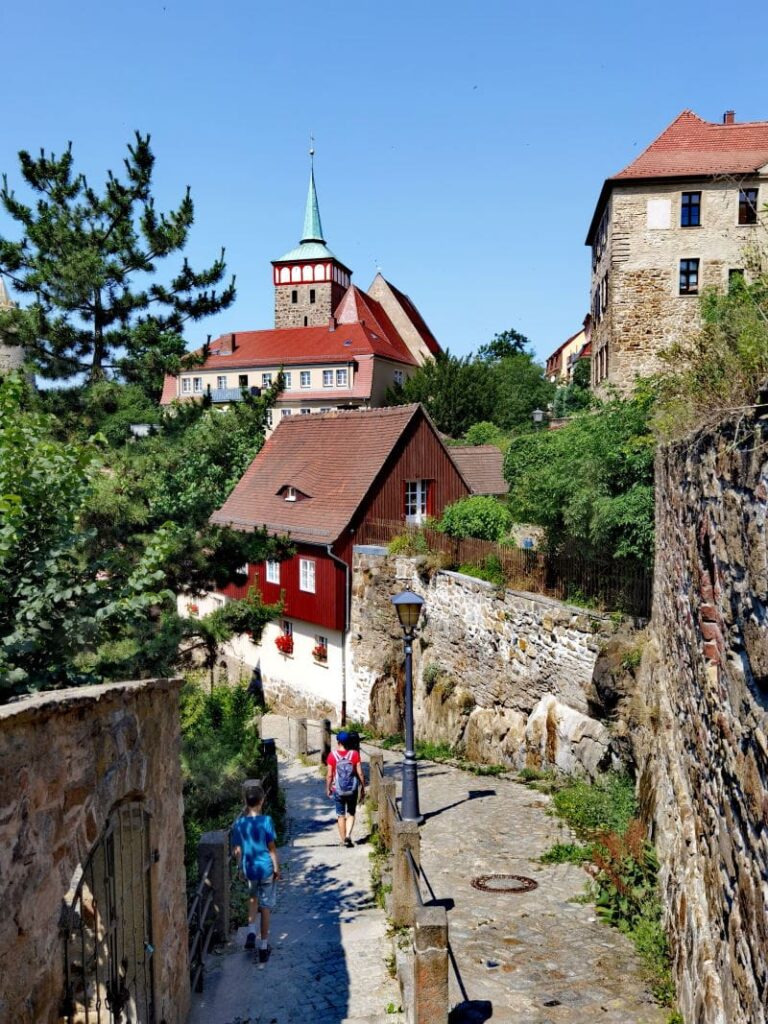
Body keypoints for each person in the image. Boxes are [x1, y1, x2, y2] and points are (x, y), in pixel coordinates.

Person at [231, 783, 280, 963]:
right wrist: (277, 868)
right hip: (266, 868)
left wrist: (240, 868)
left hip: (250, 867)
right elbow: (272, 848)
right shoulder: (266, 821)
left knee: (252, 898)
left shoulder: (240, 824)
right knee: (265, 906)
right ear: (262, 801)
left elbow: (237, 850)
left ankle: (251, 931)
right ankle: (264, 945)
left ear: (245, 802)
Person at [326, 730, 365, 847]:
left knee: (340, 815)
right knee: (351, 813)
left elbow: (329, 775)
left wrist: (328, 788)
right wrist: (363, 787)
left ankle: (343, 841)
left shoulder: (332, 755)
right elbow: (360, 773)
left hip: (338, 789)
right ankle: (348, 835)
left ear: (338, 742)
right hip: (352, 789)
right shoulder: (354, 754)